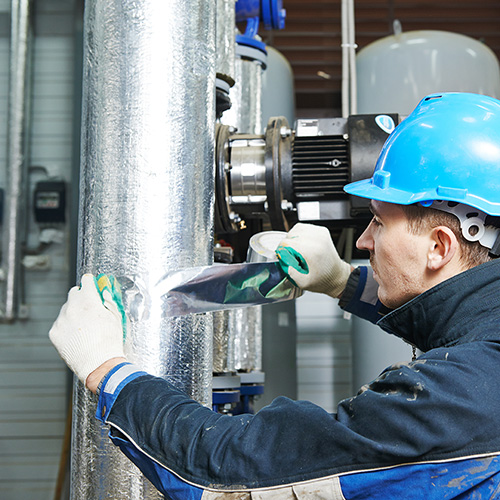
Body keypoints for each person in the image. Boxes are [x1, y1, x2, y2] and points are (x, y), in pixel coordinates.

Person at [50, 92, 500, 499]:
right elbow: (455, 315)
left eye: (378, 221)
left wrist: (108, 370)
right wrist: (342, 281)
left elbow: (228, 472)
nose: (363, 241)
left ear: (439, 247)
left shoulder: (450, 402)